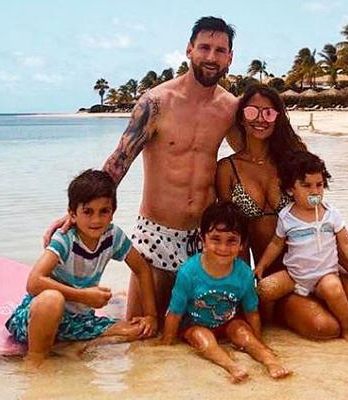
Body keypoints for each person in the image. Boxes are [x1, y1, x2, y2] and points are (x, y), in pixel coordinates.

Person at [44, 16, 241, 323]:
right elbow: (120, 159)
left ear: (230, 57)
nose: (211, 57)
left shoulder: (229, 108)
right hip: (157, 234)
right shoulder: (157, 103)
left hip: (204, 237)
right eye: (204, 47)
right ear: (189, 50)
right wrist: (79, 211)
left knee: (195, 329)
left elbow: (251, 158)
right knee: (140, 329)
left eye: (220, 50)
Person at [216, 84, 348, 340]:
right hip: (281, 279)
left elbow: (323, 221)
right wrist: (243, 292)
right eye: (252, 111)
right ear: (241, 117)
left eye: (268, 113)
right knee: (325, 328)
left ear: (278, 118)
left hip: (324, 267)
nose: (260, 119)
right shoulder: (227, 169)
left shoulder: (293, 161)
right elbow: (234, 239)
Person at [7, 169, 158, 368]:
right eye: (88, 212)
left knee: (140, 330)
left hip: (79, 321)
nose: (96, 220)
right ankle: (34, 361)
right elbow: (33, 282)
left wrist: (151, 316)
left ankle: (71, 347)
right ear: (72, 214)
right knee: (52, 299)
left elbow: (142, 269)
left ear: (113, 213)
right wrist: (83, 296)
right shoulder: (65, 239)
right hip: (38, 318)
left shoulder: (113, 237)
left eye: (104, 211)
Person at [254, 151, 348, 341]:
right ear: (291, 190)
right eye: (306, 186)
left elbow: (347, 243)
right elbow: (276, 244)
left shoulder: (331, 215)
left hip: (325, 275)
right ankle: (269, 325)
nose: (315, 191)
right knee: (265, 289)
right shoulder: (286, 217)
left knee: (334, 289)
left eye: (319, 185)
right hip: (295, 275)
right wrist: (262, 265)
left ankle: (345, 330)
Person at [160, 201, 291, 383]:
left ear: (241, 244)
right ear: (203, 240)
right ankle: (231, 366)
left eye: (231, 241)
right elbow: (175, 313)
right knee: (202, 338)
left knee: (243, 332)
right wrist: (166, 345)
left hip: (228, 322)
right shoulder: (188, 272)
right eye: (216, 239)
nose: (223, 248)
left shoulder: (244, 273)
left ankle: (270, 361)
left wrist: (257, 341)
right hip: (194, 325)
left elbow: (251, 312)